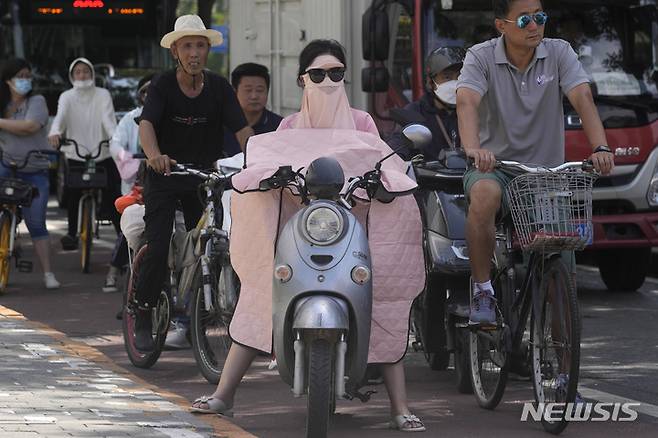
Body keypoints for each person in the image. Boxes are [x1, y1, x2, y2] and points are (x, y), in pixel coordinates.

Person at [191, 39, 426, 433]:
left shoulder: (364, 124)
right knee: (261, 294)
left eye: (336, 73)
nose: (328, 81)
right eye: (318, 74)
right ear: (303, 80)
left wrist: (384, 180)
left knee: (382, 296)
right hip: (299, 236)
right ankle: (225, 394)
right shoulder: (287, 128)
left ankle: (400, 407)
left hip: (353, 233)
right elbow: (265, 165)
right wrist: (259, 176)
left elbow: (386, 165)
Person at [456, 0, 614, 323]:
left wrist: (601, 147)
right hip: (495, 169)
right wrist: (474, 149)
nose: (534, 26)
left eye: (540, 17)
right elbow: (467, 101)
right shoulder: (480, 56)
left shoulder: (558, 52)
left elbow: (582, 98)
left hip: (545, 178)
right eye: (525, 19)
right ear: (501, 25)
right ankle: (483, 291)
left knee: (561, 273)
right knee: (484, 197)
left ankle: (559, 364)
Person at [133, 14, 253, 352]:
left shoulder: (219, 88)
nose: (195, 53)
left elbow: (243, 131)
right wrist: (155, 154)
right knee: (158, 246)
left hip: (203, 178)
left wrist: (258, 160)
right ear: (175, 51)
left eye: (200, 45)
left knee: (215, 244)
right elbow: (146, 125)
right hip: (165, 176)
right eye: (188, 46)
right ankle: (143, 310)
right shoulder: (163, 85)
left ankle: (195, 315)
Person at [48, 57, 121, 251]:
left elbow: (108, 120)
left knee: (112, 193)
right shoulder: (66, 97)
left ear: (92, 74)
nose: (82, 75)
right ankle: (72, 233)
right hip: (75, 152)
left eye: (86, 71)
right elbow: (60, 118)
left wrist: (115, 138)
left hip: (102, 151)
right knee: (72, 193)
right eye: (78, 72)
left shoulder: (103, 94)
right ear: (72, 76)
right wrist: (55, 133)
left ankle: (123, 238)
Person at [0, 58, 60, 289]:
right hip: (6, 165)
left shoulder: (37, 101)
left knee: (36, 222)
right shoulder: (3, 104)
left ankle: (48, 274)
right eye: (20, 76)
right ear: (7, 80)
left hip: (34, 169)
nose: (25, 80)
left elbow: (30, 127)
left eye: (28, 76)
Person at [102, 74, 153, 294]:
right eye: (146, 91)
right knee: (130, 231)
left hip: (169, 183)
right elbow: (116, 144)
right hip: (137, 186)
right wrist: (127, 159)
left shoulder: (173, 115)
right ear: (140, 95)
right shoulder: (130, 118)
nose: (151, 95)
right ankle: (116, 273)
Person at [389, 46, 465, 160]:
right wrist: (395, 158)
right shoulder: (415, 112)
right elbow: (396, 147)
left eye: (460, 76)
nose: (455, 83)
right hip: (427, 177)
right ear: (430, 82)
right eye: (447, 77)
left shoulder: (479, 112)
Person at [222, 62, 283, 157]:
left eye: (259, 90)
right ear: (234, 92)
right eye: (248, 90)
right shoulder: (220, 126)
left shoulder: (280, 127)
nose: (254, 96)